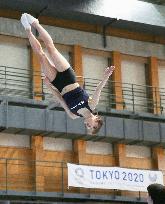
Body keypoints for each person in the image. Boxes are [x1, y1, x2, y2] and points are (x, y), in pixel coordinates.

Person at [20, 13, 115, 134]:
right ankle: (35, 23)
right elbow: (99, 89)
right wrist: (106, 76)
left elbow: (60, 99)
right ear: (97, 121)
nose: (88, 126)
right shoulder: (92, 105)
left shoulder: (73, 115)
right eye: (92, 127)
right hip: (69, 77)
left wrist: (49, 87)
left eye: (88, 128)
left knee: (41, 56)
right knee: (51, 48)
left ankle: (28, 29)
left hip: (58, 84)